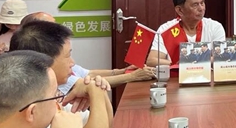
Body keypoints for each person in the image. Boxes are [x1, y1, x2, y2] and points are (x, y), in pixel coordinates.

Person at [10, 21, 113, 128]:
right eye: (67, 56)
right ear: (45, 62)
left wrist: (98, 89)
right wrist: (96, 93)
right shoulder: (38, 107)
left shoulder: (55, 94)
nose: (72, 63)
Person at [22, 11, 155, 92]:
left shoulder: (61, 56)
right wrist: (133, 76)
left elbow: (88, 74)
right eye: (52, 28)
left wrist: (122, 71)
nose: (58, 30)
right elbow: (88, 84)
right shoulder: (48, 66)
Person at [147, 0, 226, 66]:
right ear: (180, 10)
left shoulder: (215, 27)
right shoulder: (165, 30)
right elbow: (151, 61)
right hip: (176, 74)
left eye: (202, 3)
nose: (201, 8)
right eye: (195, 5)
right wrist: (179, 65)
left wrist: (188, 62)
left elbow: (220, 58)